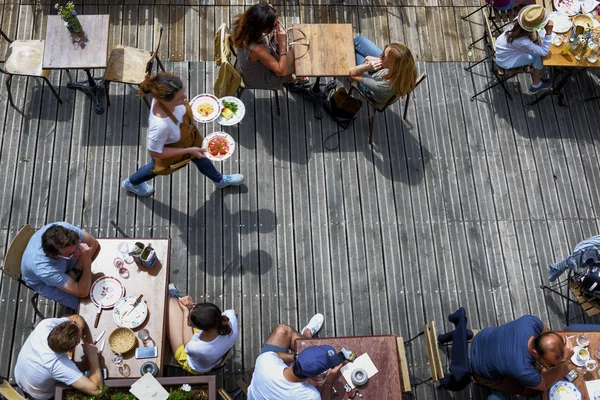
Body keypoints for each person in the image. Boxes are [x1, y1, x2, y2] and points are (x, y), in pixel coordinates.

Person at [121, 73, 244, 197]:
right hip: (174, 149)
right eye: (180, 98)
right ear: (164, 100)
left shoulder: (164, 94)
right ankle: (131, 183)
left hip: (189, 137)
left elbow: (182, 111)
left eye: (183, 93)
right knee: (155, 168)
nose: (185, 98)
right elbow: (155, 152)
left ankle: (219, 180)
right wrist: (189, 150)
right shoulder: (160, 126)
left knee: (200, 156)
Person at [247, 314, 344, 400]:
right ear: (314, 377)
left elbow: (274, 354)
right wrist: (329, 381)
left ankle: (306, 336)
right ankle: (306, 337)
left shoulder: (266, 362)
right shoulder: (311, 396)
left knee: (283, 330)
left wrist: (295, 357)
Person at [470, 315, 574, 396]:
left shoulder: (531, 321)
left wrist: (559, 348)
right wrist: (563, 363)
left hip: (482, 337)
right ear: (535, 353)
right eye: (550, 364)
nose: (548, 367)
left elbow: (546, 333)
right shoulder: (523, 370)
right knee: (532, 392)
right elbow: (545, 385)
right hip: (479, 368)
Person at [14, 315, 103, 400]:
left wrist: (80, 330)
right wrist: (93, 356)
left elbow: (77, 318)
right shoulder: (58, 365)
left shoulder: (45, 325)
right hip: (40, 394)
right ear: (72, 350)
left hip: (19, 376)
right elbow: (97, 391)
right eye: (79, 340)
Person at [21, 222, 100, 310]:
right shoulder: (44, 269)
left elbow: (94, 244)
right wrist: (86, 263)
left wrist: (75, 271)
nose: (78, 253)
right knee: (88, 305)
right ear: (55, 256)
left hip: (64, 262)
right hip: (45, 284)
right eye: (71, 254)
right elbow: (82, 292)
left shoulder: (64, 231)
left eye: (77, 245)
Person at [167, 284, 239, 374]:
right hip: (212, 356)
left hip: (191, 361)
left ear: (201, 328)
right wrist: (192, 307)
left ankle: (173, 298)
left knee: (170, 302)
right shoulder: (230, 317)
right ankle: (174, 298)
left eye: (190, 322)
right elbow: (208, 315)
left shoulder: (196, 347)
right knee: (173, 306)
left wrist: (186, 311)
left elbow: (187, 343)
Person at [231, 3, 298, 89]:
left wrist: (272, 17)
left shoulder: (245, 23)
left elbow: (269, 6)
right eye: (274, 26)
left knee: (290, 56)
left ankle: (293, 78)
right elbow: (282, 71)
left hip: (248, 67)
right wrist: (282, 44)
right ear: (262, 28)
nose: (277, 25)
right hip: (259, 79)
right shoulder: (257, 49)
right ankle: (293, 79)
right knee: (294, 62)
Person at [494, 5, 554, 93]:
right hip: (505, 60)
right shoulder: (522, 41)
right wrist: (548, 33)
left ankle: (536, 80)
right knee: (538, 57)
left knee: (536, 47)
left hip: (502, 49)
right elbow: (544, 52)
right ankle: (536, 84)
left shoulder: (519, 20)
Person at [349, 37, 417, 107]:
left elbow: (353, 73)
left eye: (383, 56)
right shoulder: (407, 65)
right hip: (382, 72)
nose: (380, 54)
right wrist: (378, 60)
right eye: (385, 49)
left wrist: (367, 67)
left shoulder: (383, 86)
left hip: (371, 89)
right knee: (360, 40)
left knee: (355, 54)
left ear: (392, 65)